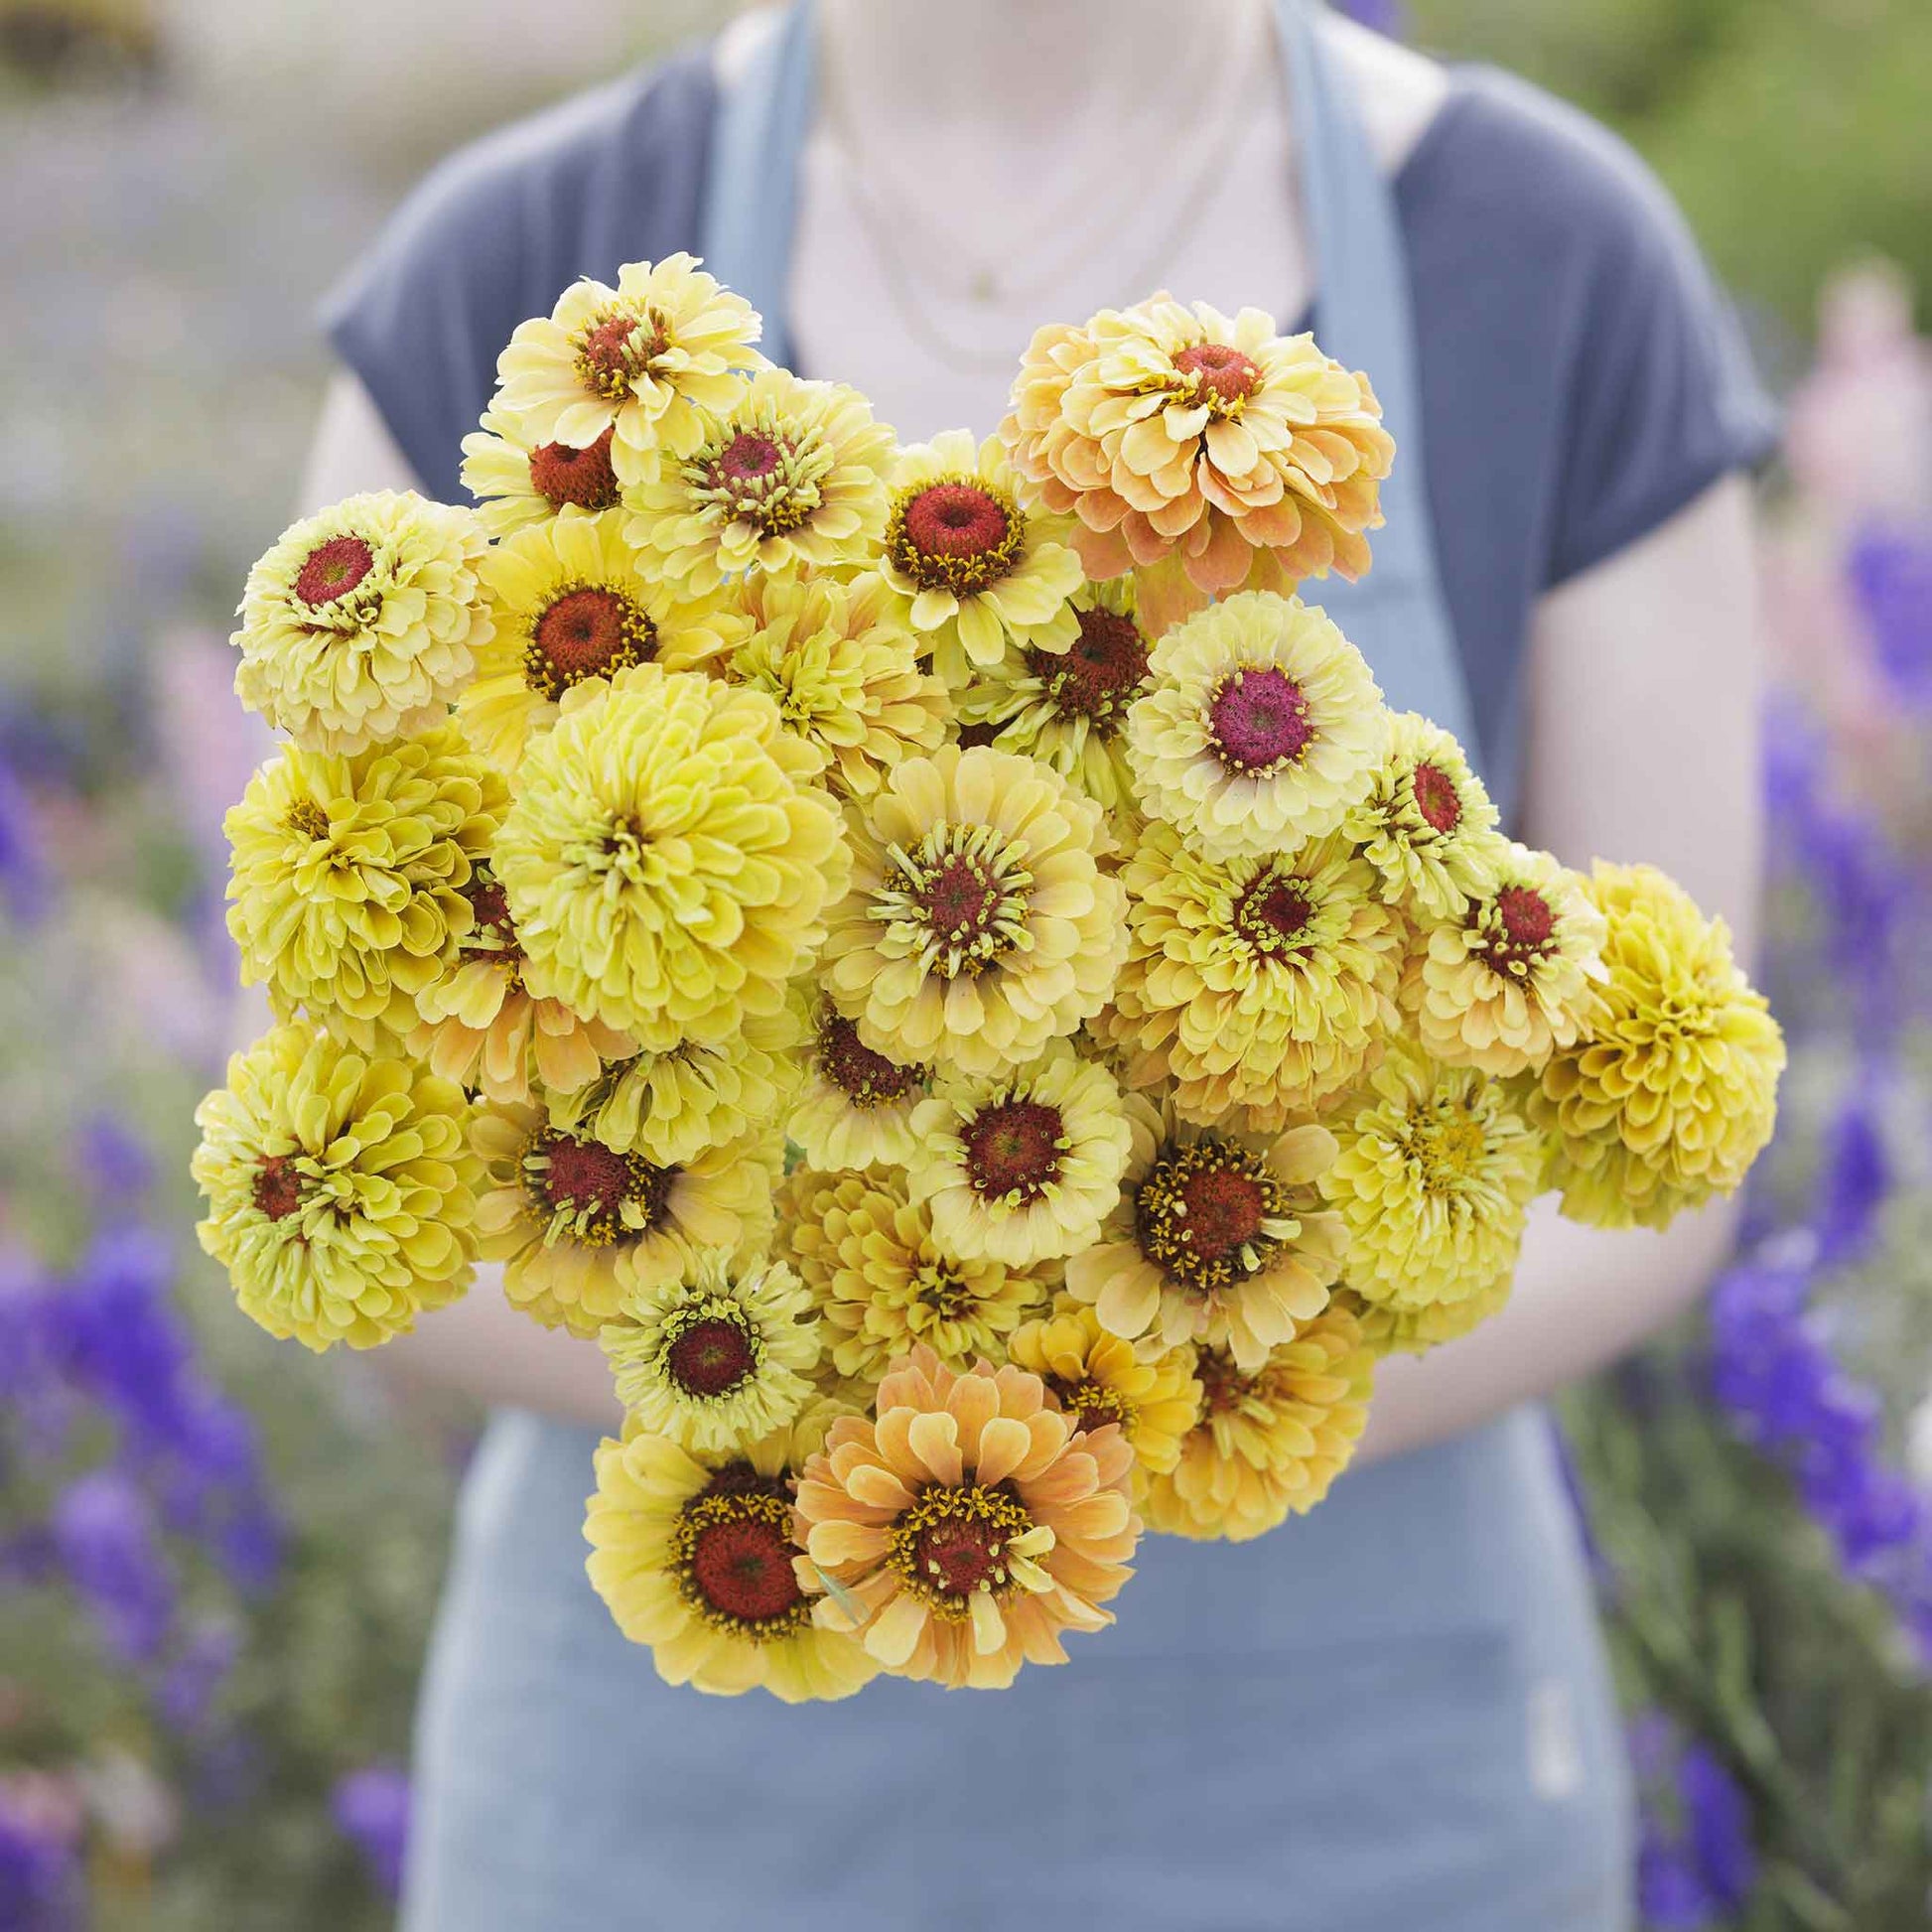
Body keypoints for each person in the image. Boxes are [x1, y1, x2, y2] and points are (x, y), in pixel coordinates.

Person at [296, 3, 1774, 1925]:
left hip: (1356, 1780)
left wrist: (1085, 1440)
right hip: (671, 1813)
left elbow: (1657, 1119)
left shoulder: (1544, 249)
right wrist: (931, 1461)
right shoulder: (511, 260)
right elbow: (342, 1135)